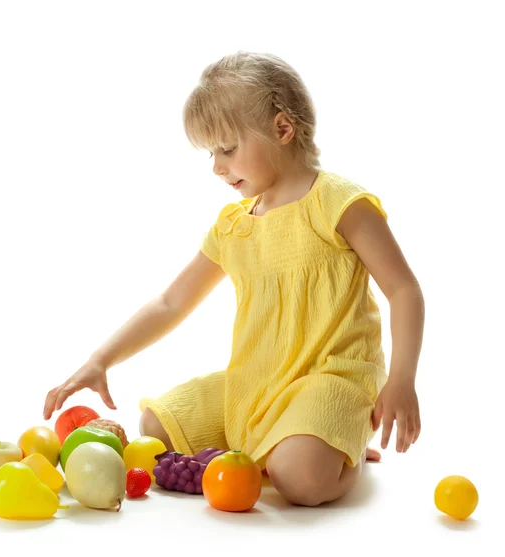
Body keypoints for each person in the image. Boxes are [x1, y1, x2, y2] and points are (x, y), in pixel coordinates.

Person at [43, 51, 425, 507]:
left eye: (227, 149)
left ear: (283, 130)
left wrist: (400, 378)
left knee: (300, 480)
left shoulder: (339, 203)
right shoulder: (234, 226)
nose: (217, 167)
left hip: (331, 378)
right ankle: (282, 443)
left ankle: (344, 444)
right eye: (211, 153)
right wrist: (101, 359)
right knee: (157, 427)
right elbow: (170, 303)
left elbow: (404, 290)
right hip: (256, 382)